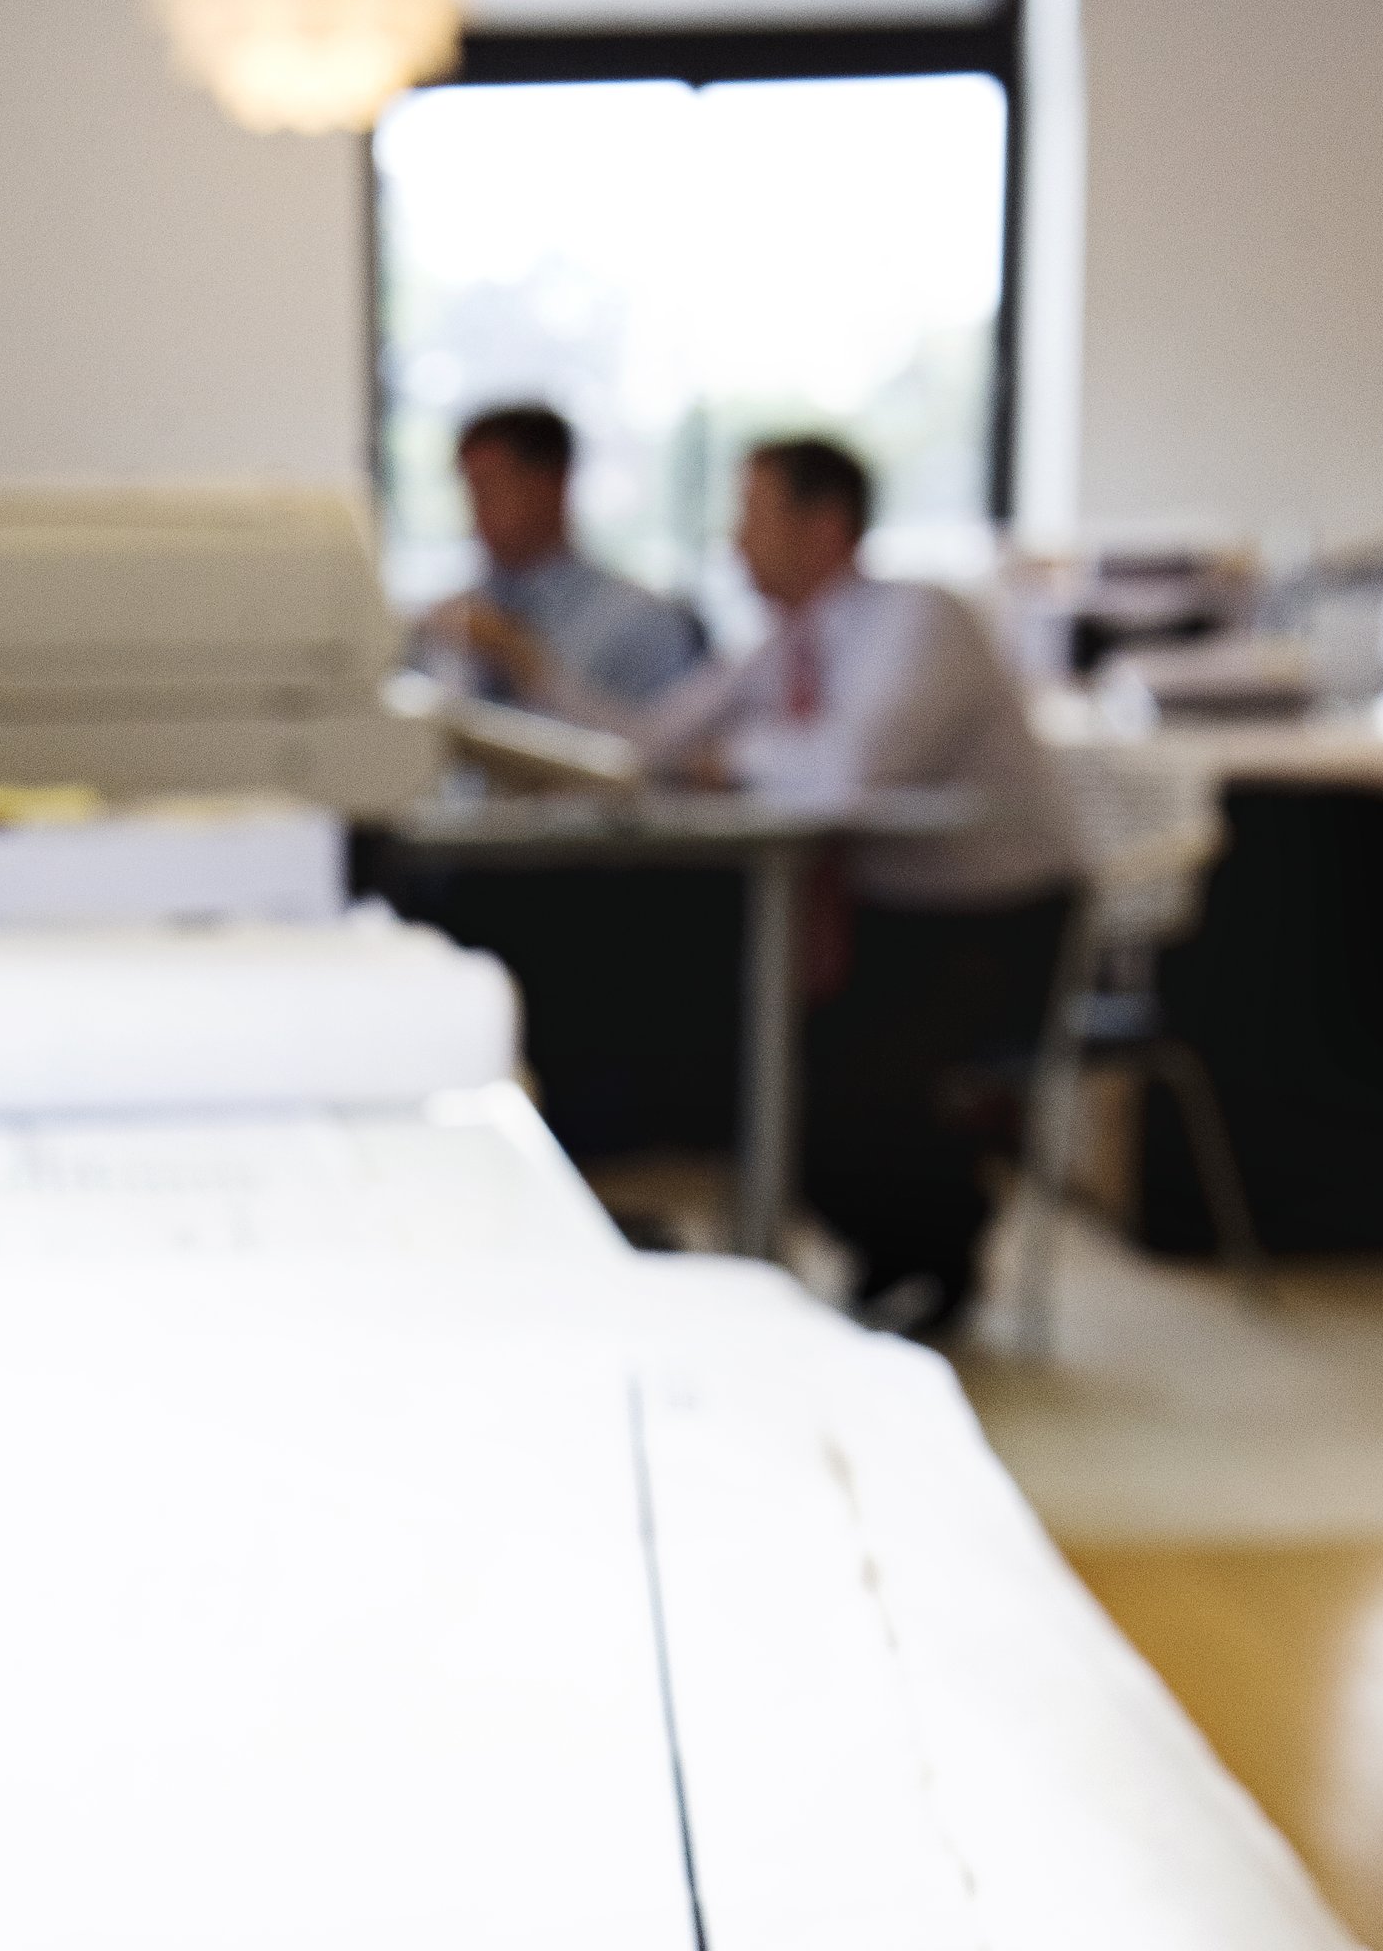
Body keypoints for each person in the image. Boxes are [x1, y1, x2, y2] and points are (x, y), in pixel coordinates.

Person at [479, 434, 1082, 1335]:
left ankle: (934, 1249)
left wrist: (731, 759)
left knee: (799, 1070)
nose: (735, 542)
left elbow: (849, 772)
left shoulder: (923, 620)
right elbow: (648, 745)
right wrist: (532, 672)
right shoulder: (784, 644)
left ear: (825, 524)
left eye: (753, 516)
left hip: (995, 926)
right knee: (724, 1040)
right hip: (879, 921)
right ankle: (887, 1251)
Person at [418, 404, 706, 710]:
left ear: (551, 485)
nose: (476, 513)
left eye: (489, 490)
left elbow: (659, 738)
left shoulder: (646, 624)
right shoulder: (448, 619)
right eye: (470, 492)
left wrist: (518, 657)